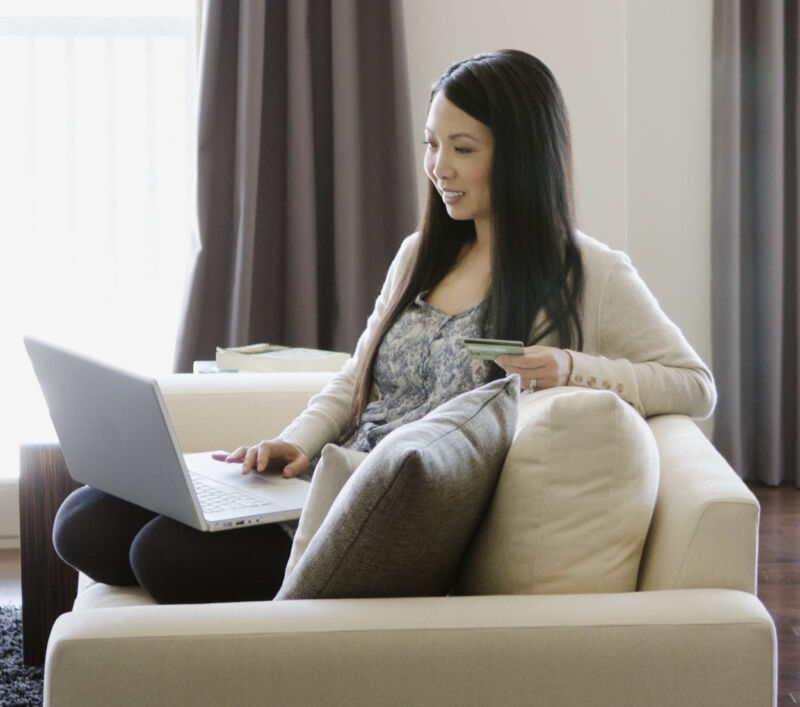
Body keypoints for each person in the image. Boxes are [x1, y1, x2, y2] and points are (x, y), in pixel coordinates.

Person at [53, 49, 716, 604]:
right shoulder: (420, 253)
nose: (439, 168)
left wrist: (573, 367)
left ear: (519, 154)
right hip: (325, 482)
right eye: (431, 145)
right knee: (83, 521)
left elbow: (694, 385)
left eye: (462, 148)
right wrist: (294, 442)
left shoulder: (588, 271)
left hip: (384, 523)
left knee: (163, 555)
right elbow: (355, 378)